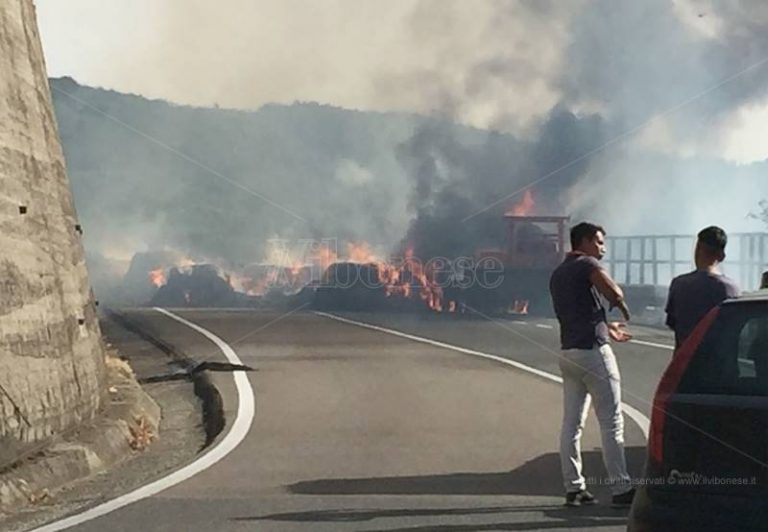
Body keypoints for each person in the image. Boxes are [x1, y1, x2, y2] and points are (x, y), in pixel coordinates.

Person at [549, 222, 635, 508]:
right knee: (612, 423)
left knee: (571, 424)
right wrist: (621, 304)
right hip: (593, 352)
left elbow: (579, 310)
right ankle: (621, 488)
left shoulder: (559, 272)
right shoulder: (586, 264)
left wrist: (605, 324)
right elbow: (612, 291)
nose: (603, 248)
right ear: (584, 242)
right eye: (598, 242)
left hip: (569, 352)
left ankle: (573, 487)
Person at [665, 226, 740, 348]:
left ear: (697, 250)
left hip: (684, 362)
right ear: (722, 256)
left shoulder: (678, 284)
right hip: (718, 364)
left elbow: (672, 323)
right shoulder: (731, 289)